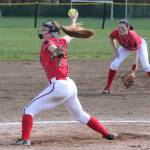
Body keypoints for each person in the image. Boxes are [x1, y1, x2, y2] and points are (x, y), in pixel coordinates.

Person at [17, 13, 117, 145]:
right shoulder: (62, 41)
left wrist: (57, 51)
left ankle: (25, 140)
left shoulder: (48, 42)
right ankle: (107, 134)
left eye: (45, 29)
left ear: (52, 33)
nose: (42, 31)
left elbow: (53, 48)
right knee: (81, 115)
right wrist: (73, 20)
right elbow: (71, 33)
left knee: (28, 110)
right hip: (70, 86)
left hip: (59, 86)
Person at [102, 19, 150, 94]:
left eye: (123, 28)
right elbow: (111, 39)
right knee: (114, 64)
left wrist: (133, 71)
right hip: (125, 47)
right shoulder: (116, 32)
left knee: (146, 67)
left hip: (140, 45)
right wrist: (116, 51)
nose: (120, 30)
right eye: (119, 27)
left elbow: (135, 54)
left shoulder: (133, 37)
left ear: (128, 28)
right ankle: (108, 87)